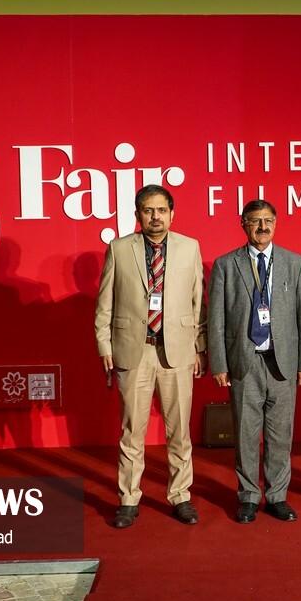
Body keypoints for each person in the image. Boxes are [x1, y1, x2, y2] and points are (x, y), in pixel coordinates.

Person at [95, 184, 206, 528]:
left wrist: (199, 347)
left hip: (178, 351)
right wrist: (104, 346)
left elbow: (198, 301)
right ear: (137, 215)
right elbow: (105, 303)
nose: (155, 216)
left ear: (172, 214)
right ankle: (128, 498)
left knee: (180, 432)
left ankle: (181, 496)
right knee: (132, 431)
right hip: (134, 349)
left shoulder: (190, 247)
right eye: (148, 210)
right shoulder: (119, 248)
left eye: (161, 210)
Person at [208, 200, 301, 523]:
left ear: (276, 223)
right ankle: (249, 496)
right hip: (244, 361)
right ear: (243, 224)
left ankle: (278, 496)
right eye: (255, 221)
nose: (263, 227)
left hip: (283, 362)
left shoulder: (295, 263)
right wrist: (219, 363)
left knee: (281, 434)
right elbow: (216, 319)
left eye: (268, 220)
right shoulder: (226, 265)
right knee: (245, 434)